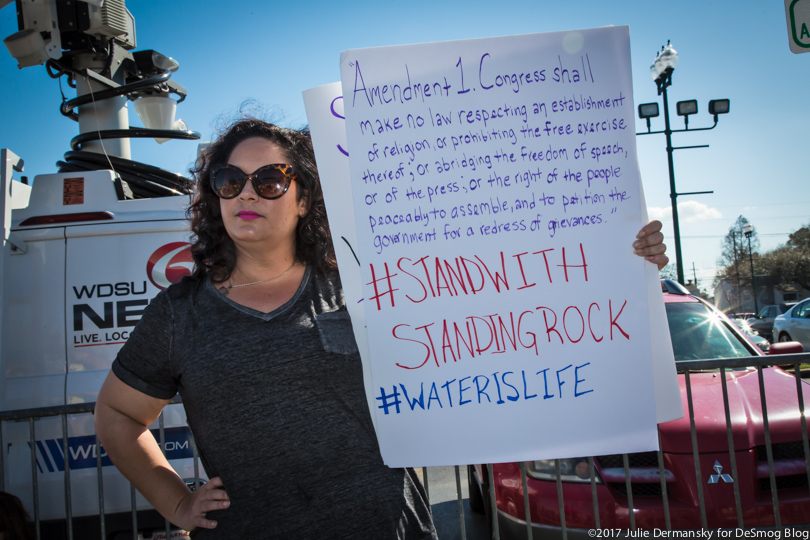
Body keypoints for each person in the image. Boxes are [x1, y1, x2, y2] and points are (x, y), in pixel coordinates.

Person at [94, 118, 668, 538]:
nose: (247, 192)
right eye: (229, 180)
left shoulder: (368, 282)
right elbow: (118, 415)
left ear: (302, 200)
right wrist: (176, 504)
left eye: (270, 179)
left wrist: (621, 259)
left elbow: (500, 303)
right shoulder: (180, 311)